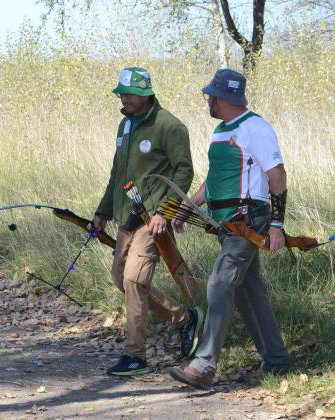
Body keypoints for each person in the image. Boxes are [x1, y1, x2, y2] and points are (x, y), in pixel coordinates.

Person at [168, 68, 292, 390]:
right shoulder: (221, 132)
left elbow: (277, 176)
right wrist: (186, 207)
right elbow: (215, 179)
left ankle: (204, 365)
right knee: (250, 294)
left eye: (212, 95)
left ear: (225, 98)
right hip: (226, 225)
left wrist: (277, 225)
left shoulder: (256, 128)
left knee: (220, 282)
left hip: (250, 223)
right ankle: (277, 361)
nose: (208, 99)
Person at [91, 66, 203, 376]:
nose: (122, 98)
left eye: (128, 94)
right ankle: (185, 319)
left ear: (145, 94)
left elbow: (184, 172)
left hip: (152, 219)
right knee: (121, 279)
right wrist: (102, 212)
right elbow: (117, 174)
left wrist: (164, 212)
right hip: (125, 217)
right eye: (121, 93)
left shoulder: (170, 126)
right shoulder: (124, 126)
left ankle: (135, 356)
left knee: (134, 280)